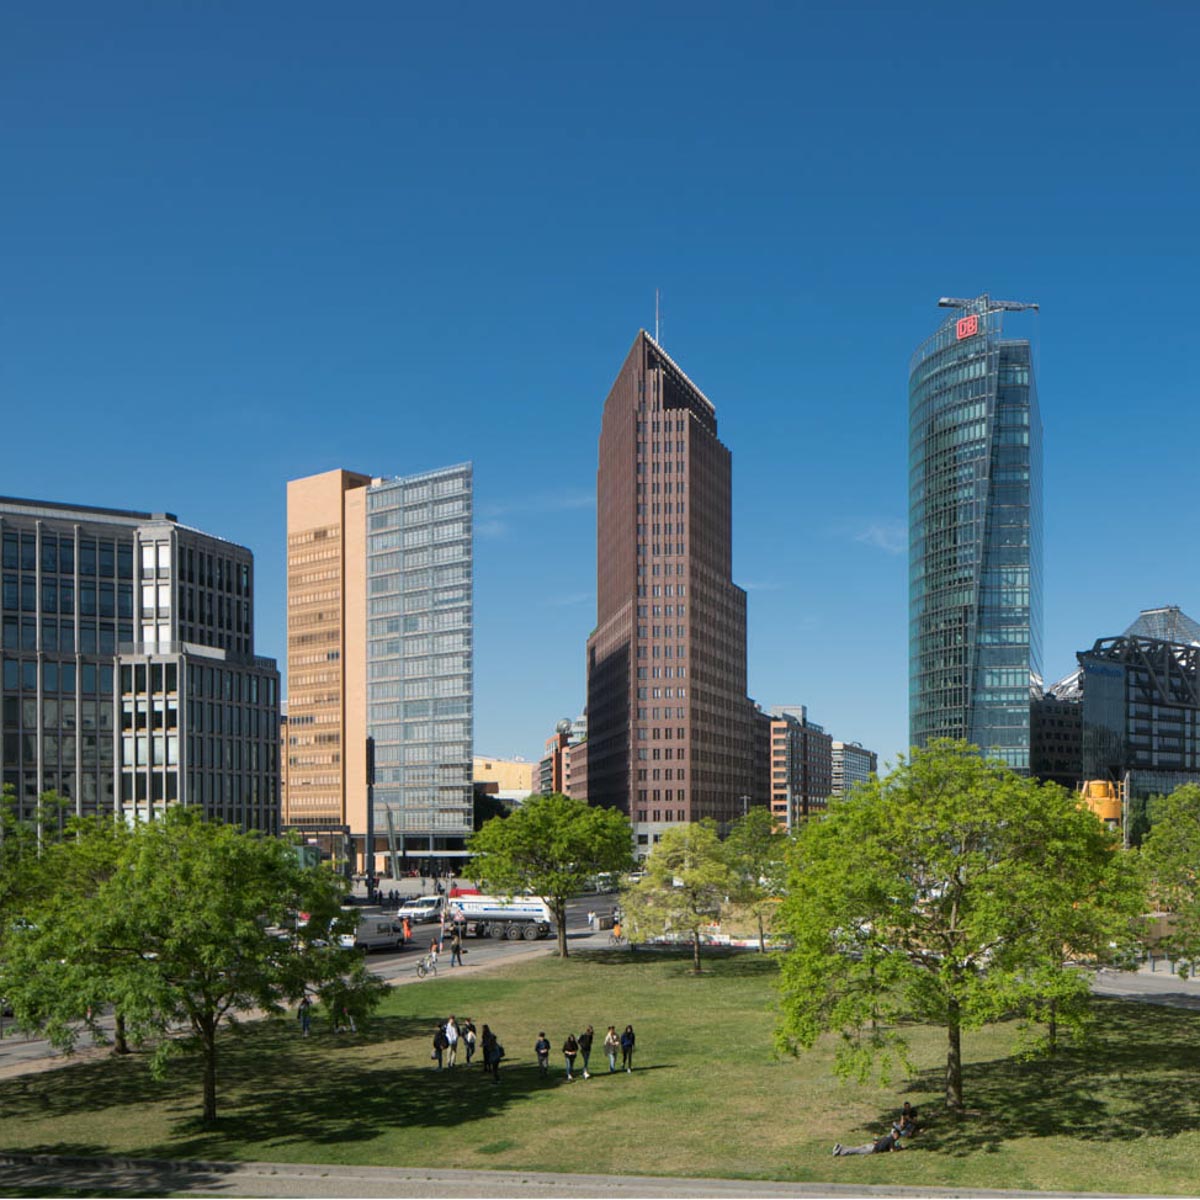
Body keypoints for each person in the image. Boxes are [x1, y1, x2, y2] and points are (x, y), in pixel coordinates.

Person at [833, 1131, 905, 1156]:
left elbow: (877, 1141)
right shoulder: (891, 1139)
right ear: (896, 1135)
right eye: (898, 1136)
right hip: (872, 1149)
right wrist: (900, 1148)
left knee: (856, 1148)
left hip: (871, 1145)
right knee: (855, 1151)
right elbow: (892, 1150)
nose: (898, 1138)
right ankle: (839, 1151)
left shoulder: (886, 1137)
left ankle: (841, 1147)